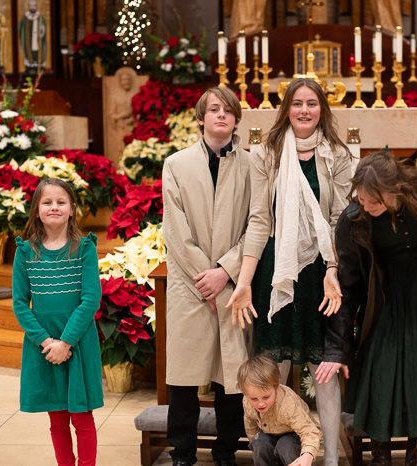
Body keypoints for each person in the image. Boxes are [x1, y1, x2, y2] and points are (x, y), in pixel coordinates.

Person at [226, 77, 353, 466]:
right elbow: (259, 220)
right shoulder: (266, 153)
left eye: (312, 103)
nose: (304, 110)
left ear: (322, 109)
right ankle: (274, 452)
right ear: (286, 109)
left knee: (323, 367)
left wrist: (333, 268)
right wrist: (244, 282)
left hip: (320, 271)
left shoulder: (337, 154)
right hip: (276, 270)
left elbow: (339, 219)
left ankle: (330, 457)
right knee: (271, 366)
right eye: (297, 103)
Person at [316, 152, 417, 466]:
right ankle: (380, 457)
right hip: (383, 300)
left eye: (373, 200)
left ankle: (415, 456)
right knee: (380, 374)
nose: (365, 206)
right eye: (361, 198)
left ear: (396, 188)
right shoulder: (354, 220)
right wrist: (337, 349)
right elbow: (349, 284)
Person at [162, 87, 252, 466]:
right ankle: (182, 453)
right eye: (214, 109)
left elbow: (257, 226)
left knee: (230, 376)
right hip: (190, 284)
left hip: (233, 283)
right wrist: (206, 277)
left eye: (228, 110)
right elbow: (175, 229)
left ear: (236, 120)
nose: (221, 115)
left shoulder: (252, 165)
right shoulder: (177, 164)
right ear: (200, 119)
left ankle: (225, 450)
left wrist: (226, 271)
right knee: (184, 377)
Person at [12, 178, 104, 466]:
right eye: (47, 202)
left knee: (83, 417)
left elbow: (90, 299)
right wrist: (47, 341)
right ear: (37, 210)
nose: (54, 207)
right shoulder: (25, 252)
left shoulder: (85, 248)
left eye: (61, 202)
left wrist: (66, 342)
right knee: (57, 418)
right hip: (44, 347)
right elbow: (20, 303)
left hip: (78, 343)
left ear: (72, 209)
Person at [238, 356, 322, 466]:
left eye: (266, 397)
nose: (260, 404)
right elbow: (250, 425)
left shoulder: (288, 404)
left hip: (295, 434)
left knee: (285, 445)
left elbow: (309, 431)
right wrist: (254, 443)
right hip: (269, 433)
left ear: (277, 386)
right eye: (254, 399)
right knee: (259, 443)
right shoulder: (246, 401)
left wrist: (307, 455)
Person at [18, 0, 47, 70]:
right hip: (28, 42)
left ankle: (39, 63)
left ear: (37, 6)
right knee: (29, 52)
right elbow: (20, 28)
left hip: (38, 41)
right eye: (31, 5)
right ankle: (30, 63)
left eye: (34, 5)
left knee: (39, 52)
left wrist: (42, 28)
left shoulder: (40, 17)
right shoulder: (25, 17)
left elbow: (44, 27)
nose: (33, 7)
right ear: (28, 6)